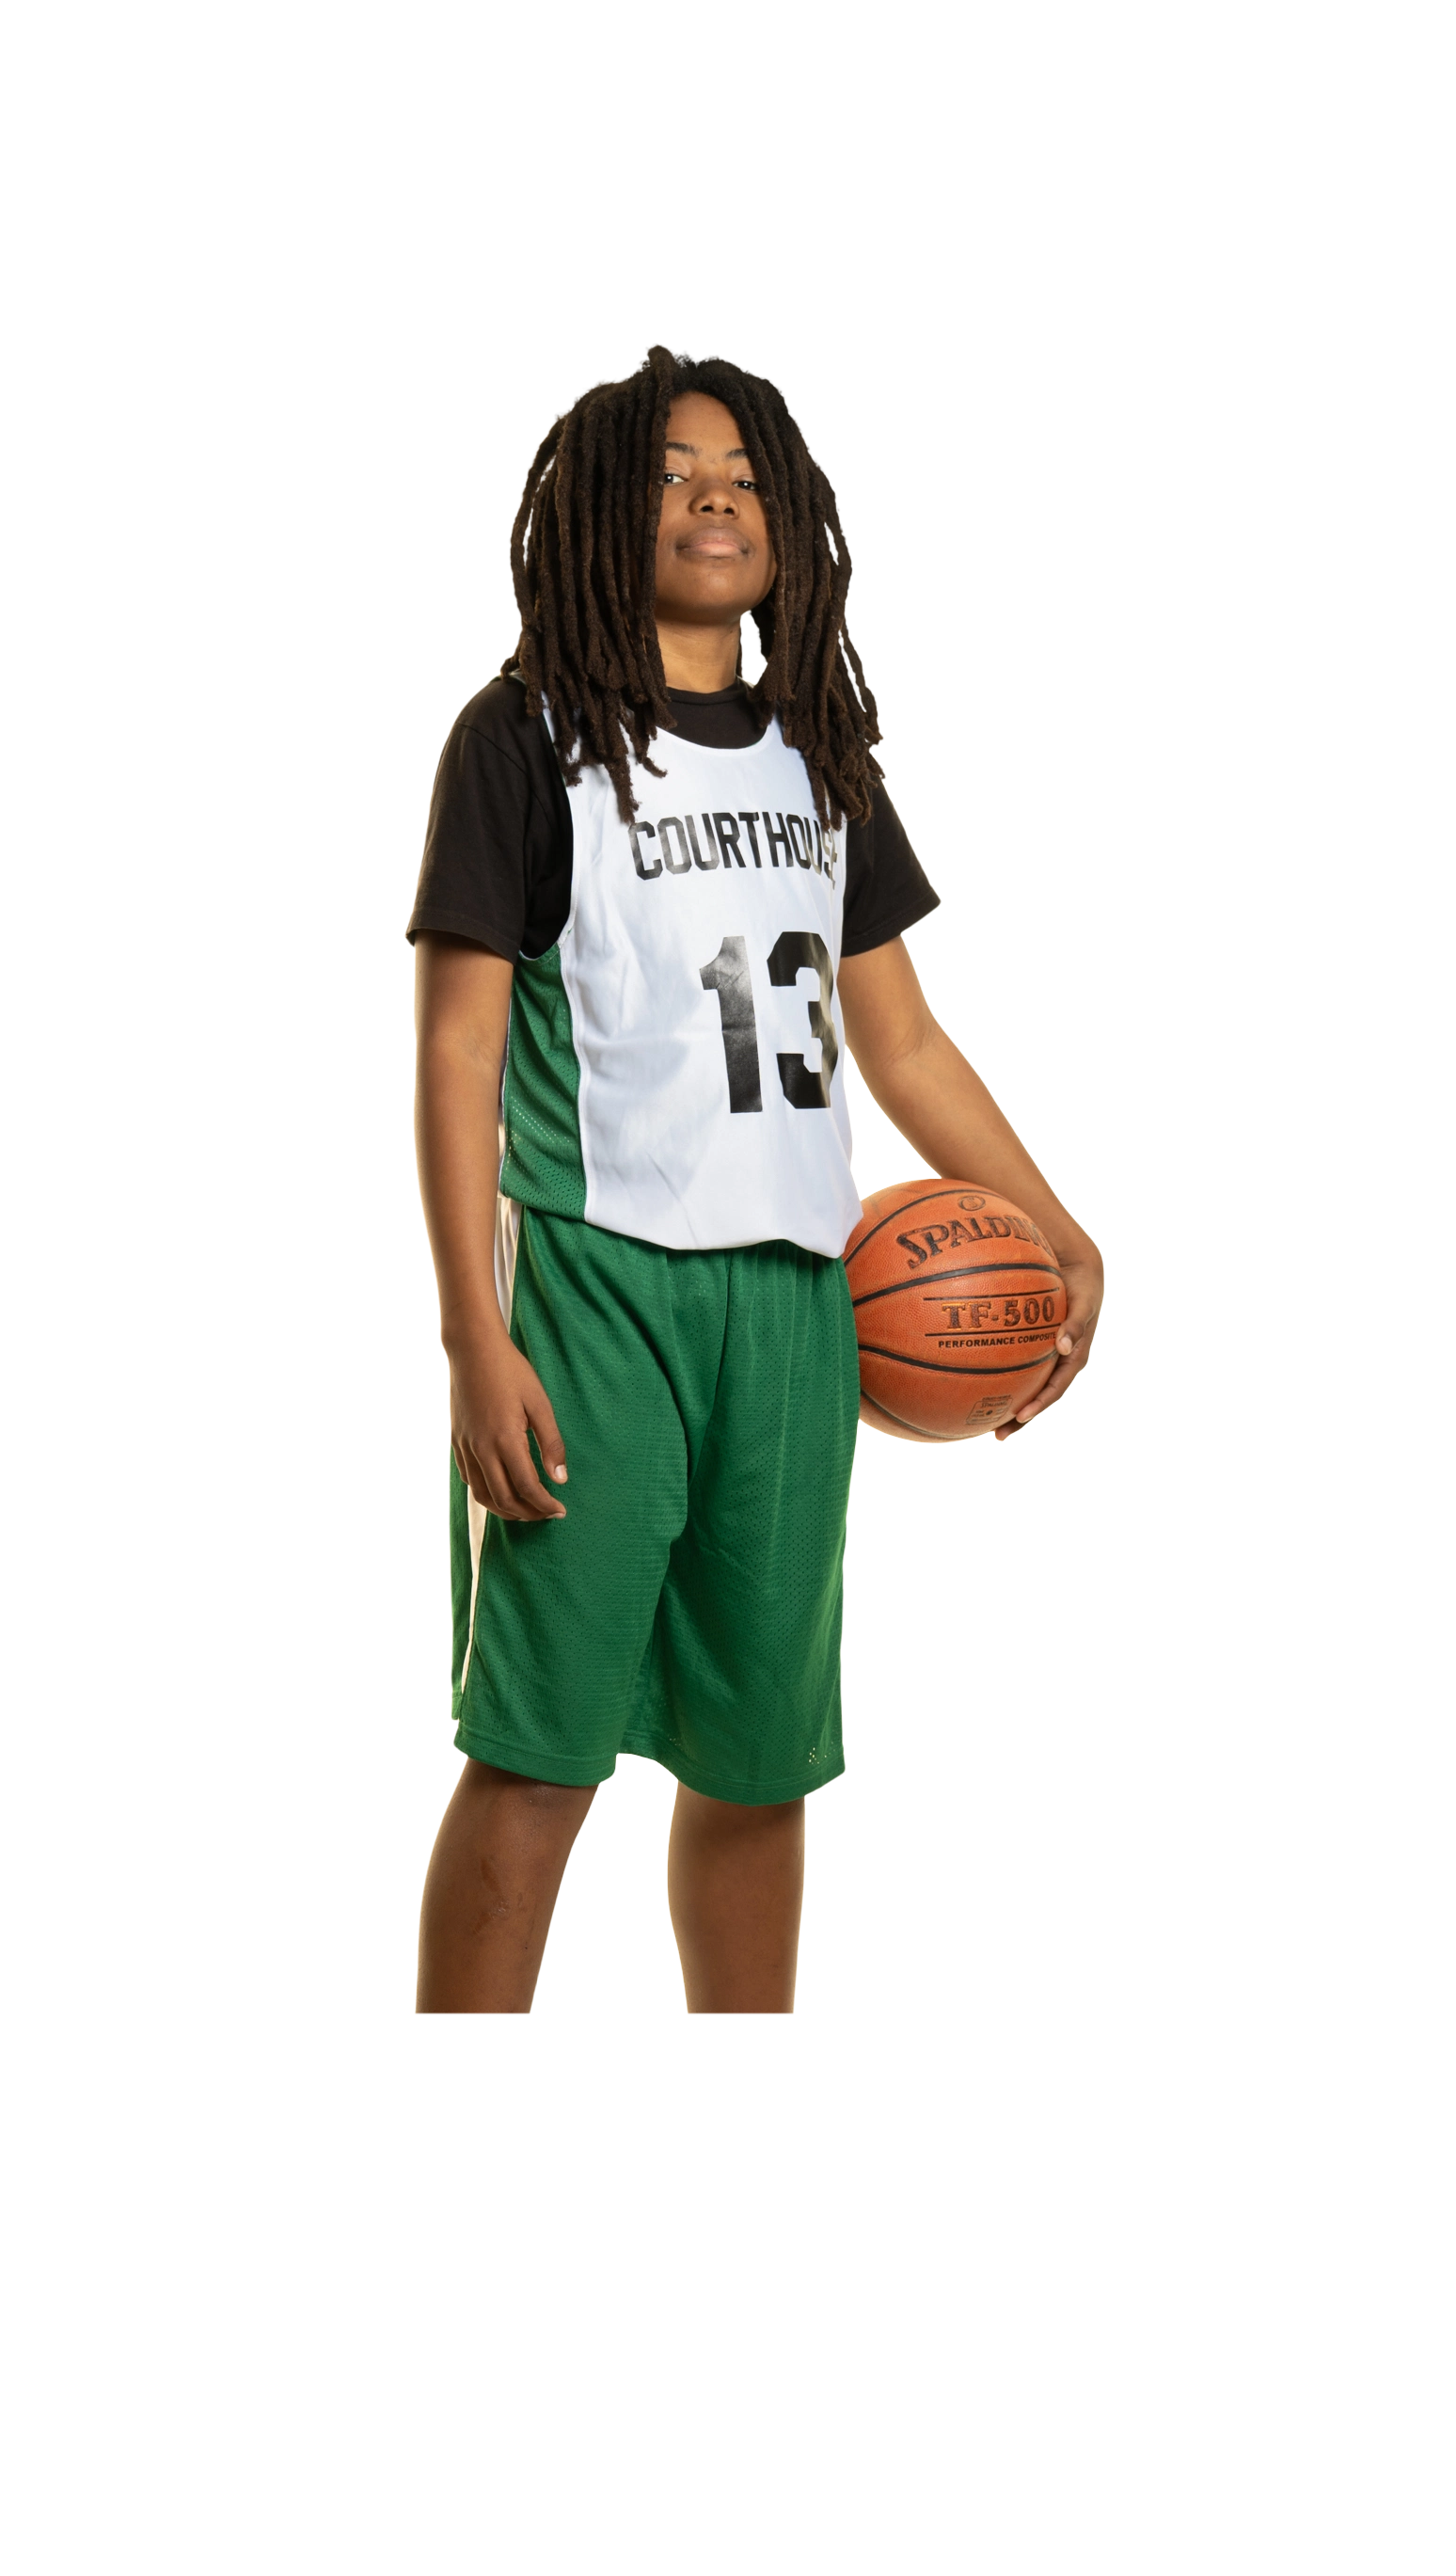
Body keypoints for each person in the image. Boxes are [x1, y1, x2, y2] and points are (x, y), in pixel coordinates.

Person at [406, 344, 1102, 2015]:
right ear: (591, 513)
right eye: (668, 471)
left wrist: (1061, 1225)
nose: (712, 495)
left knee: (759, 1758)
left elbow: (901, 1039)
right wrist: (470, 1333)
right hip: (600, 1292)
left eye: (741, 473)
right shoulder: (529, 737)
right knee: (539, 1750)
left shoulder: (819, 752)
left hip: (795, 1300)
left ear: (791, 521)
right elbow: (457, 1049)